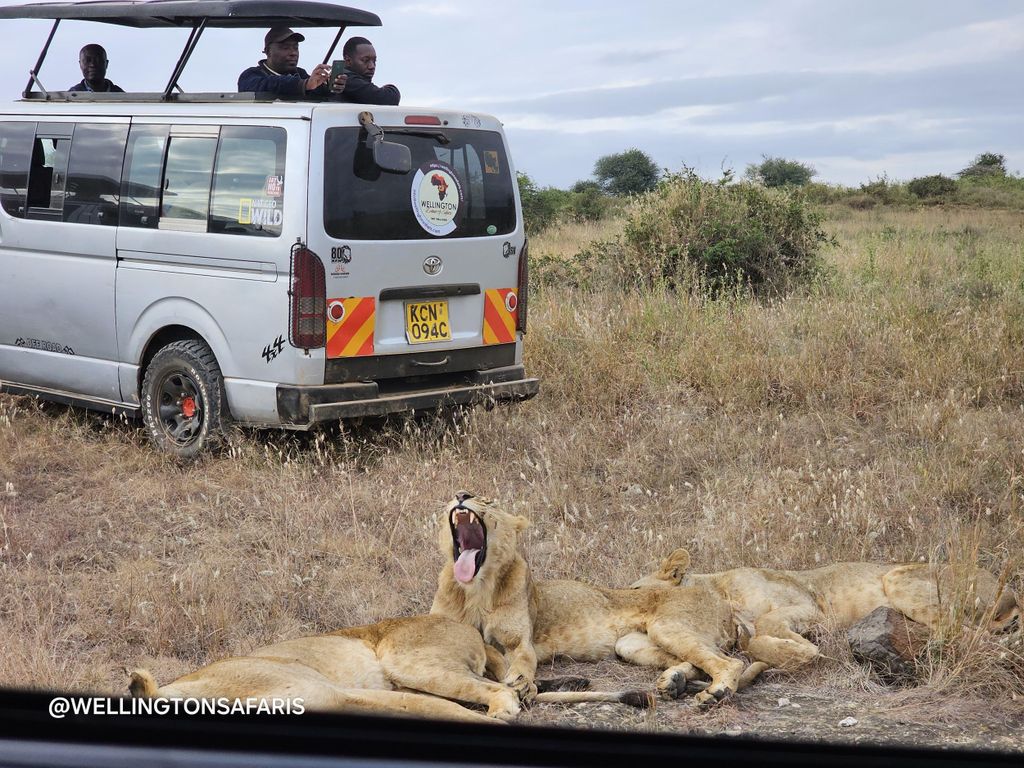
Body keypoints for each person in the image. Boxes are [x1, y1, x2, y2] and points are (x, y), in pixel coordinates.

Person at [238, 27, 346, 98]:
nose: (293, 53)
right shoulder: (250, 76)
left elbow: (317, 94)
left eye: (296, 48)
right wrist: (304, 85)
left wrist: (328, 86)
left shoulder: (300, 74)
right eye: (285, 48)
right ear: (268, 51)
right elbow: (272, 84)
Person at [337, 37, 400, 105]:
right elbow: (388, 98)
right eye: (365, 60)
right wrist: (392, 89)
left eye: (374, 61)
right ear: (348, 61)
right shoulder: (346, 81)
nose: (372, 66)